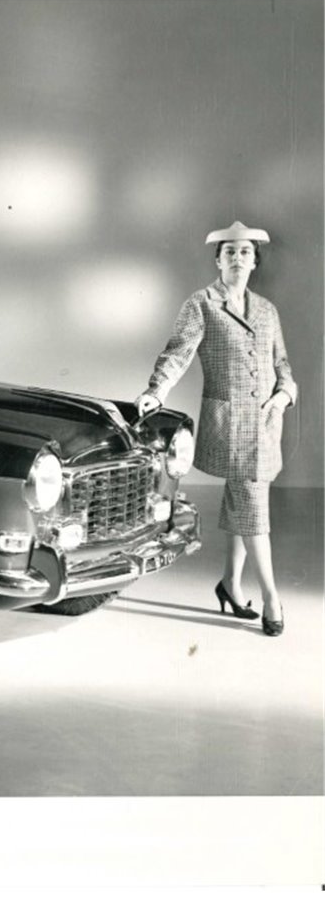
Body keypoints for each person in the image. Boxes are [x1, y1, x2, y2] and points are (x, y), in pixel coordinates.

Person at [135, 221, 297, 637]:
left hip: (266, 423)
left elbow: (281, 363)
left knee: (243, 499)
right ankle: (272, 599)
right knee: (251, 503)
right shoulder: (202, 303)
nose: (238, 258)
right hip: (230, 424)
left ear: (255, 261)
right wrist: (156, 391)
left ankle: (230, 584)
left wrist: (284, 395)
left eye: (245, 252)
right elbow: (178, 353)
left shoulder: (268, 310)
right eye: (230, 252)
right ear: (218, 261)